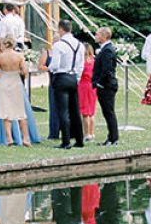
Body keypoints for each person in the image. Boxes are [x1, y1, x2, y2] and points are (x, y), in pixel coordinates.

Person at [41, 19, 86, 148]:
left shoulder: (59, 45)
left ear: (61, 29)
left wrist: (50, 69)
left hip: (61, 76)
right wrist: (76, 77)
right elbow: (80, 65)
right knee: (75, 110)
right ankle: (79, 139)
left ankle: (66, 141)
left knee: (63, 110)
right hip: (73, 77)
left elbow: (55, 64)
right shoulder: (79, 44)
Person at [0, 36, 31, 145]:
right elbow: (25, 71)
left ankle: (9, 138)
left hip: (4, 82)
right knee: (20, 112)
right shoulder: (19, 56)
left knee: (5, 112)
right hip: (15, 81)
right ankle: (25, 138)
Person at [91, 27, 120, 145]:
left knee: (109, 111)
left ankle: (113, 137)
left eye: (97, 34)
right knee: (107, 112)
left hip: (106, 85)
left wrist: (99, 82)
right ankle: (112, 136)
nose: (95, 36)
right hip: (105, 84)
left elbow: (107, 69)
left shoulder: (107, 50)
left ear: (104, 36)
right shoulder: (104, 49)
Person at [76, 31, 98, 143]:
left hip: (84, 86)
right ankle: (92, 132)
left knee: (84, 112)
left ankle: (86, 133)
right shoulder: (94, 61)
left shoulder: (82, 63)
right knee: (91, 111)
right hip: (93, 87)